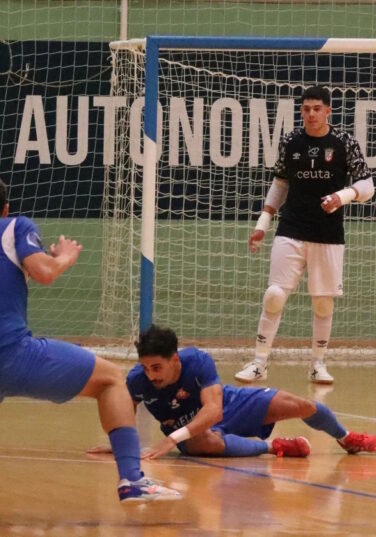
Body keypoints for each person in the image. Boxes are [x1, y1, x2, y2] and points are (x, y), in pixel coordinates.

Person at [0, 172, 181, 515]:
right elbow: (44, 273)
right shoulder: (15, 227)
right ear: (6, 209)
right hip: (10, 355)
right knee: (112, 379)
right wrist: (65, 257)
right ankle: (133, 478)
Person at [236, 85, 374, 384]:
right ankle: (259, 362)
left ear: (328, 111)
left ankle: (317, 364)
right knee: (274, 296)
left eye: (316, 109)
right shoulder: (290, 141)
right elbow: (280, 183)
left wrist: (344, 195)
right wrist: (262, 223)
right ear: (301, 111)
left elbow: (368, 185)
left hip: (328, 233)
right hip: (292, 228)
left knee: (323, 303)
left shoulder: (344, 142)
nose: (311, 114)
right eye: (306, 109)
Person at [90, 324, 376, 460]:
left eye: (156, 367)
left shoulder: (197, 361)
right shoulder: (138, 380)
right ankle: (273, 446)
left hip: (230, 404)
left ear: (174, 360)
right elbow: (125, 411)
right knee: (206, 443)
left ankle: (347, 438)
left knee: (302, 404)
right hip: (191, 431)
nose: (150, 375)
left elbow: (213, 410)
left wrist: (169, 442)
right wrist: (120, 441)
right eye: (145, 367)